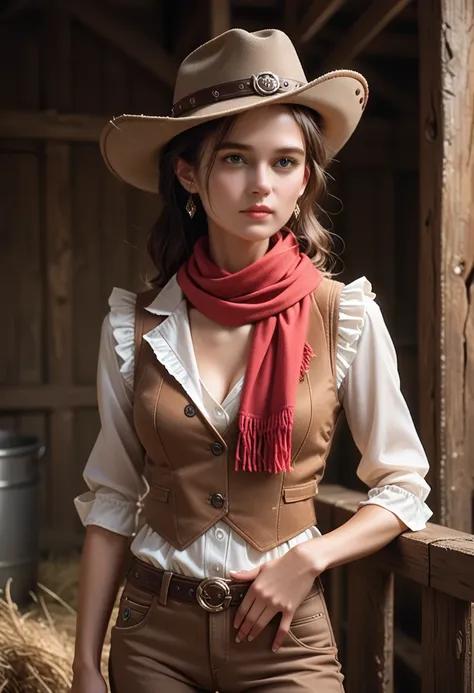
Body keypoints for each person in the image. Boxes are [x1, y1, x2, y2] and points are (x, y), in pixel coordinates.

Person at [70, 28, 432, 693]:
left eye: (286, 162)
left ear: (306, 179)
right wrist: (86, 663)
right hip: (154, 632)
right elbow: (115, 497)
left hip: (286, 637)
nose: (261, 185)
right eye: (235, 158)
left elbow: (404, 486)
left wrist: (312, 557)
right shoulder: (137, 324)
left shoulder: (344, 314)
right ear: (187, 172)